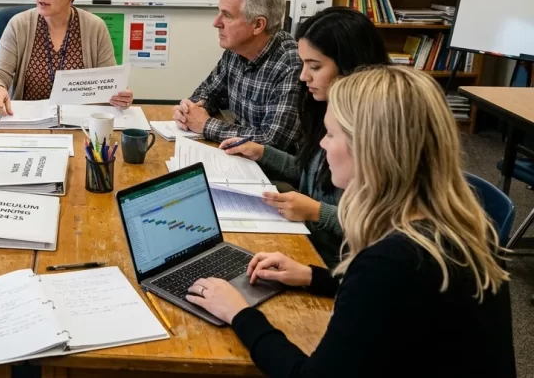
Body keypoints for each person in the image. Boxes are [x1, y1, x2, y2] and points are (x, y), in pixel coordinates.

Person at [186, 66, 515, 377]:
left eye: (331, 134)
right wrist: (312, 276)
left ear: (369, 149)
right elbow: (391, 296)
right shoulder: (464, 226)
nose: (322, 143)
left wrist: (239, 313)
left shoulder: (392, 260)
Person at [219, 8, 390, 267]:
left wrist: (317, 212)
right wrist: (262, 152)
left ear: (350, 66)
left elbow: (384, 226)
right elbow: (312, 172)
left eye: (315, 66)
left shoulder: (379, 128)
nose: (303, 76)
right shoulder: (325, 108)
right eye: (303, 64)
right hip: (314, 246)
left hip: (344, 263)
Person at [0, 0, 133, 115]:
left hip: (79, 121)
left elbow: (109, 82)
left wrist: (120, 96)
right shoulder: (19, 25)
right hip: (28, 120)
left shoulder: (95, 27)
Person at [173, 0, 301, 150]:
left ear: (258, 25)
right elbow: (209, 92)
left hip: (269, 167)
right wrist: (190, 110)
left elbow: (274, 141)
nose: (216, 23)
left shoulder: (291, 65)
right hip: (239, 157)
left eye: (227, 15)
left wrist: (205, 125)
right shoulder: (235, 50)